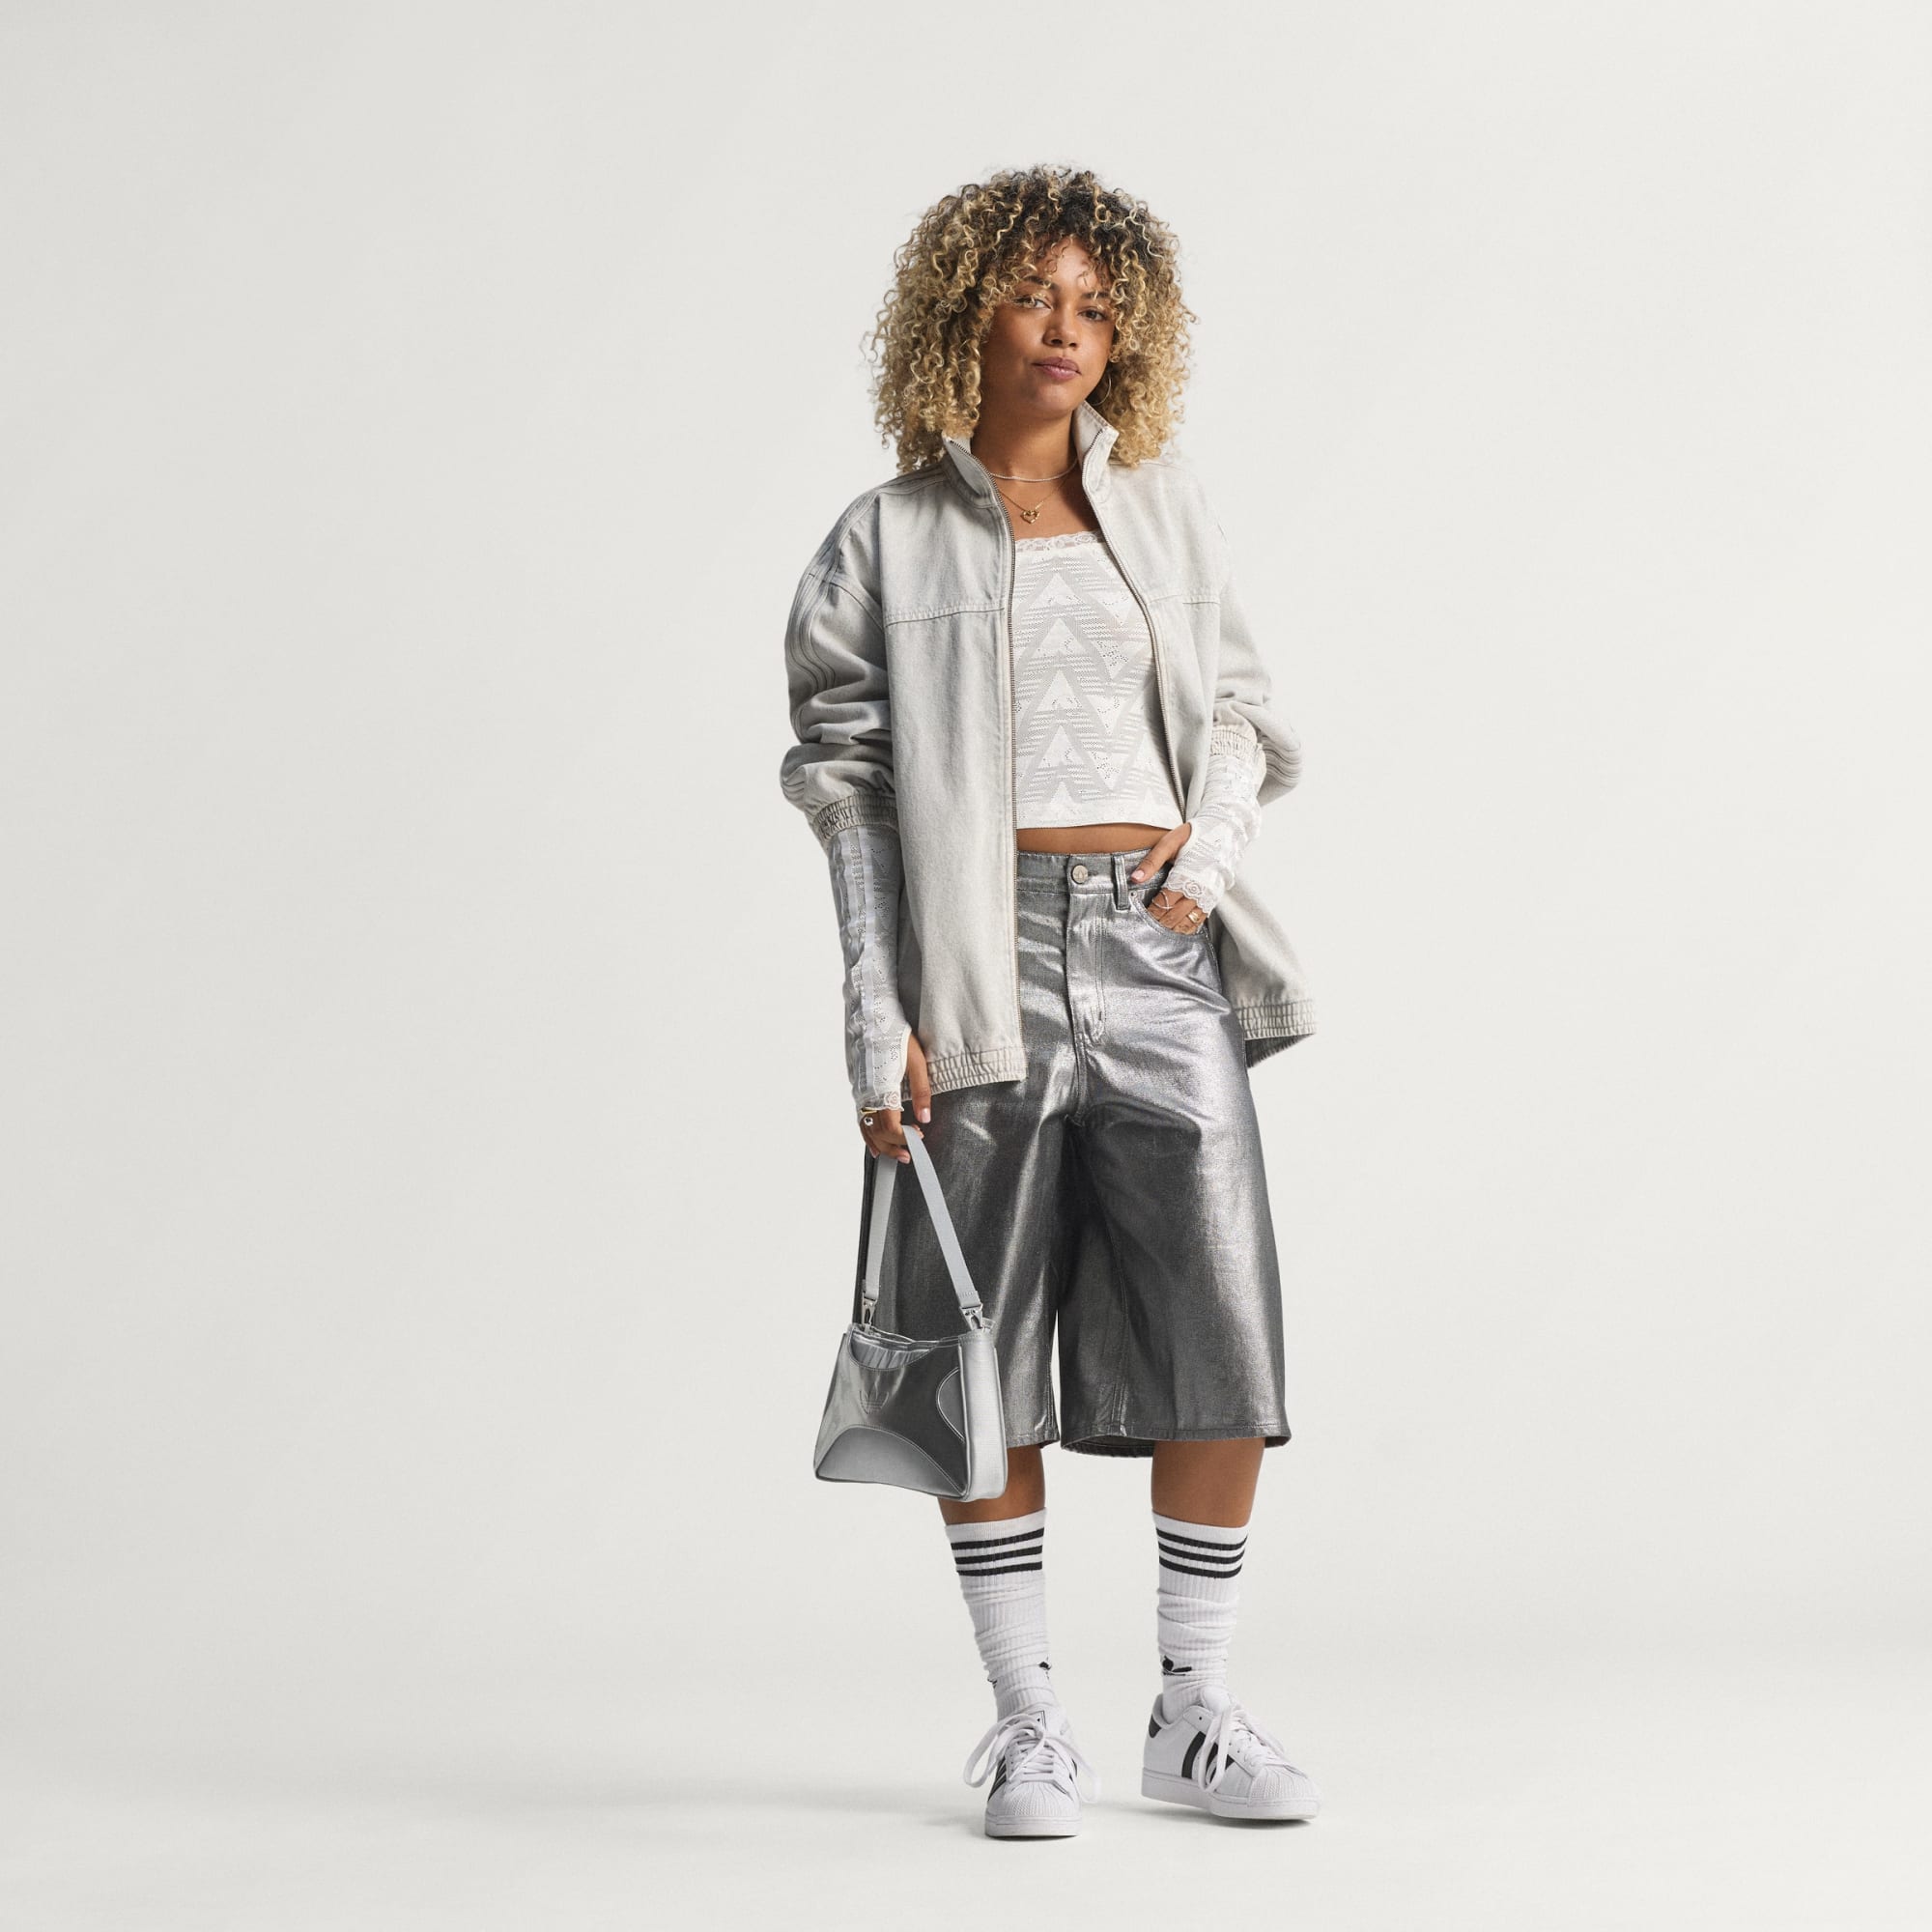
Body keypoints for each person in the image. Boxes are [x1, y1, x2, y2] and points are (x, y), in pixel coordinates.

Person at [779, 164, 1321, 1838]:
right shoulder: (884, 538)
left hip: (1159, 955)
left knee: (1220, 1326)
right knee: (980, 1338)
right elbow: (848, 789)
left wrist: (1204, 859)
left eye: (1096, 305)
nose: (1066, 330)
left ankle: (1194, 1711)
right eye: (1034, 296)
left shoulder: (1162, 506)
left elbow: (1240, 715)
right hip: (978, 958)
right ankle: (1027, 1723)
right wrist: (875, 1009)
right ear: (967, 314)